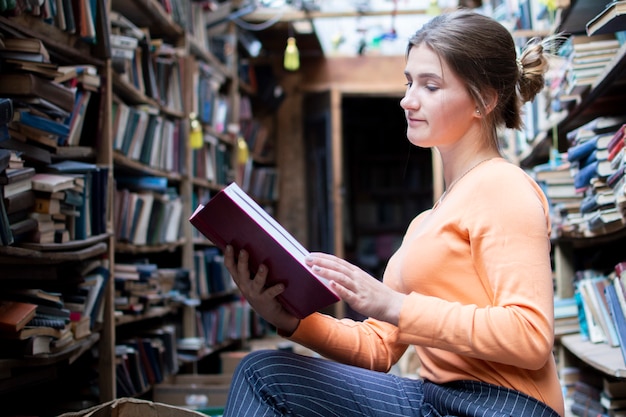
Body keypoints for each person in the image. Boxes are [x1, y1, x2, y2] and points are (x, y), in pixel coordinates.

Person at [222, 9, 565, 417]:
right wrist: (292, 320)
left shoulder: (503, 186)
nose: (407, 99)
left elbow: (530, 337)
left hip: (503, 407)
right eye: (408, 82)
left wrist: (394, 305)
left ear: (484, 100)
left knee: (264, 375)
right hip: (437, 400)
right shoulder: (426, 222)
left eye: (430, 85)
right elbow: (379, 347)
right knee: (264, 371)